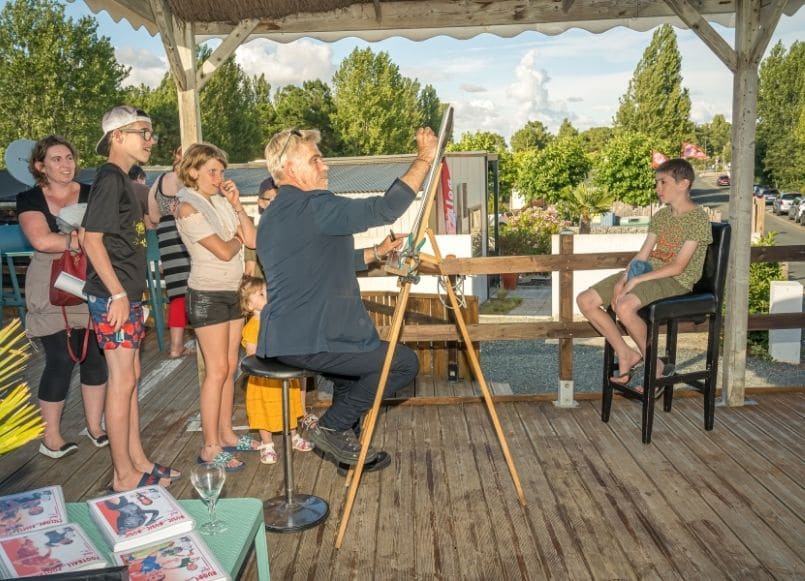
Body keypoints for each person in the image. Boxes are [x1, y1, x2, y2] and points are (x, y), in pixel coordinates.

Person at [256, 127, 437, 471]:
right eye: (315, 159)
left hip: (283, 338)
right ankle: (331, 427)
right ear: (290, 169)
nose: (325, 166)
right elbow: (385, 208)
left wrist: (375, 252)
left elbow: (314, 260)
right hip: (311, 337)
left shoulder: (276, 213)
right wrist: (424, 159)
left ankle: (347, 455)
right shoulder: (314, 204)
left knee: (351, 377)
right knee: (402, 363)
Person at [81, 105, 177, 491]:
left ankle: (138, 461)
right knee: (121, 381)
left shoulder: (123, 180)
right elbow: (90, 239)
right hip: (113, 296)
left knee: (131, 377)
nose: (150, 140)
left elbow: (151, 219)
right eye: (143, 132)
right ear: (117, 136)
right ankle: (123, 475)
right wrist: (118, 293)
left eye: (151, 133)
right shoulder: (109, 178)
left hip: (126, 294)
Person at [576, 158, 713, 392]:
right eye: (657, 183)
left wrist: (636, 280)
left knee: (624, 306)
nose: (658, 188)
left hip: (675, 280)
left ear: (683, 184)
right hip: (648, 273)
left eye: (663, 182)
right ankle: (625, 353)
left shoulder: (698, 219)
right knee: (585, 300)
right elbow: (643, 254)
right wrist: (623, 279)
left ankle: (655, 367)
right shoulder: (661, 216)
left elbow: (679, 267)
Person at [16, 135, 108, 459]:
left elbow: (108, 233)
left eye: (69, 157)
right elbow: (41, 241)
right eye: (56, 159)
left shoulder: (92, 193)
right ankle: (51, 437)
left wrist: (74, 240)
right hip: (50, 283)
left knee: (94, 356)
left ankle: (95, 427)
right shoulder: (29, 198)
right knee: (61, 357)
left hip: (90, 276)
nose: (66, 164)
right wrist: (81, 240)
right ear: (40, 166)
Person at [174, 142, 259, 471]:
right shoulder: (187, 206)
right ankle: (209, 446)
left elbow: (252, 240)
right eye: (211, 171)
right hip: (207, 294)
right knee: (217, 370)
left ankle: (226, 433)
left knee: (230, 366)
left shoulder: (223, 202)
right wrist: (237, 238)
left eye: (221, 171)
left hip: (232, 291)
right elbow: (224, 251)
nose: (218, 177)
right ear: (192, 171)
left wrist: (237, 206)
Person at [239, 276, 312, 464]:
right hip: (263, 379)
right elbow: (251, 355)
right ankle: (267, 444)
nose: (267, 296)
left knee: (289, 406)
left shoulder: (277, 320)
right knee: (263, 411)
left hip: (282, 375)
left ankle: (294, 436)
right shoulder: (253, 327)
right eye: (261, 294)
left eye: (267, 292)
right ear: (249, 305)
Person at [146, 146, 194, 358]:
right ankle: (202, 340)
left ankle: (175, 346)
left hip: (166, 236)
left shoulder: (159, 180)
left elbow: (153, 217)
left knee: (177, 292)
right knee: (198, 289)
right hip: (188, 232)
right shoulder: (192, 178)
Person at [243, 176, 276, 279]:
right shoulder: (254, 234)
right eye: (271, 199)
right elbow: (250, 271)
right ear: (261, 202)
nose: (277, 203)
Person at [128, 165, 154, 229]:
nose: (144, 183)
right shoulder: (145, 190)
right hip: (138, 231)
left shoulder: (117, 187)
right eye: (144, 180)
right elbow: (149, 221)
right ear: (139, 177)